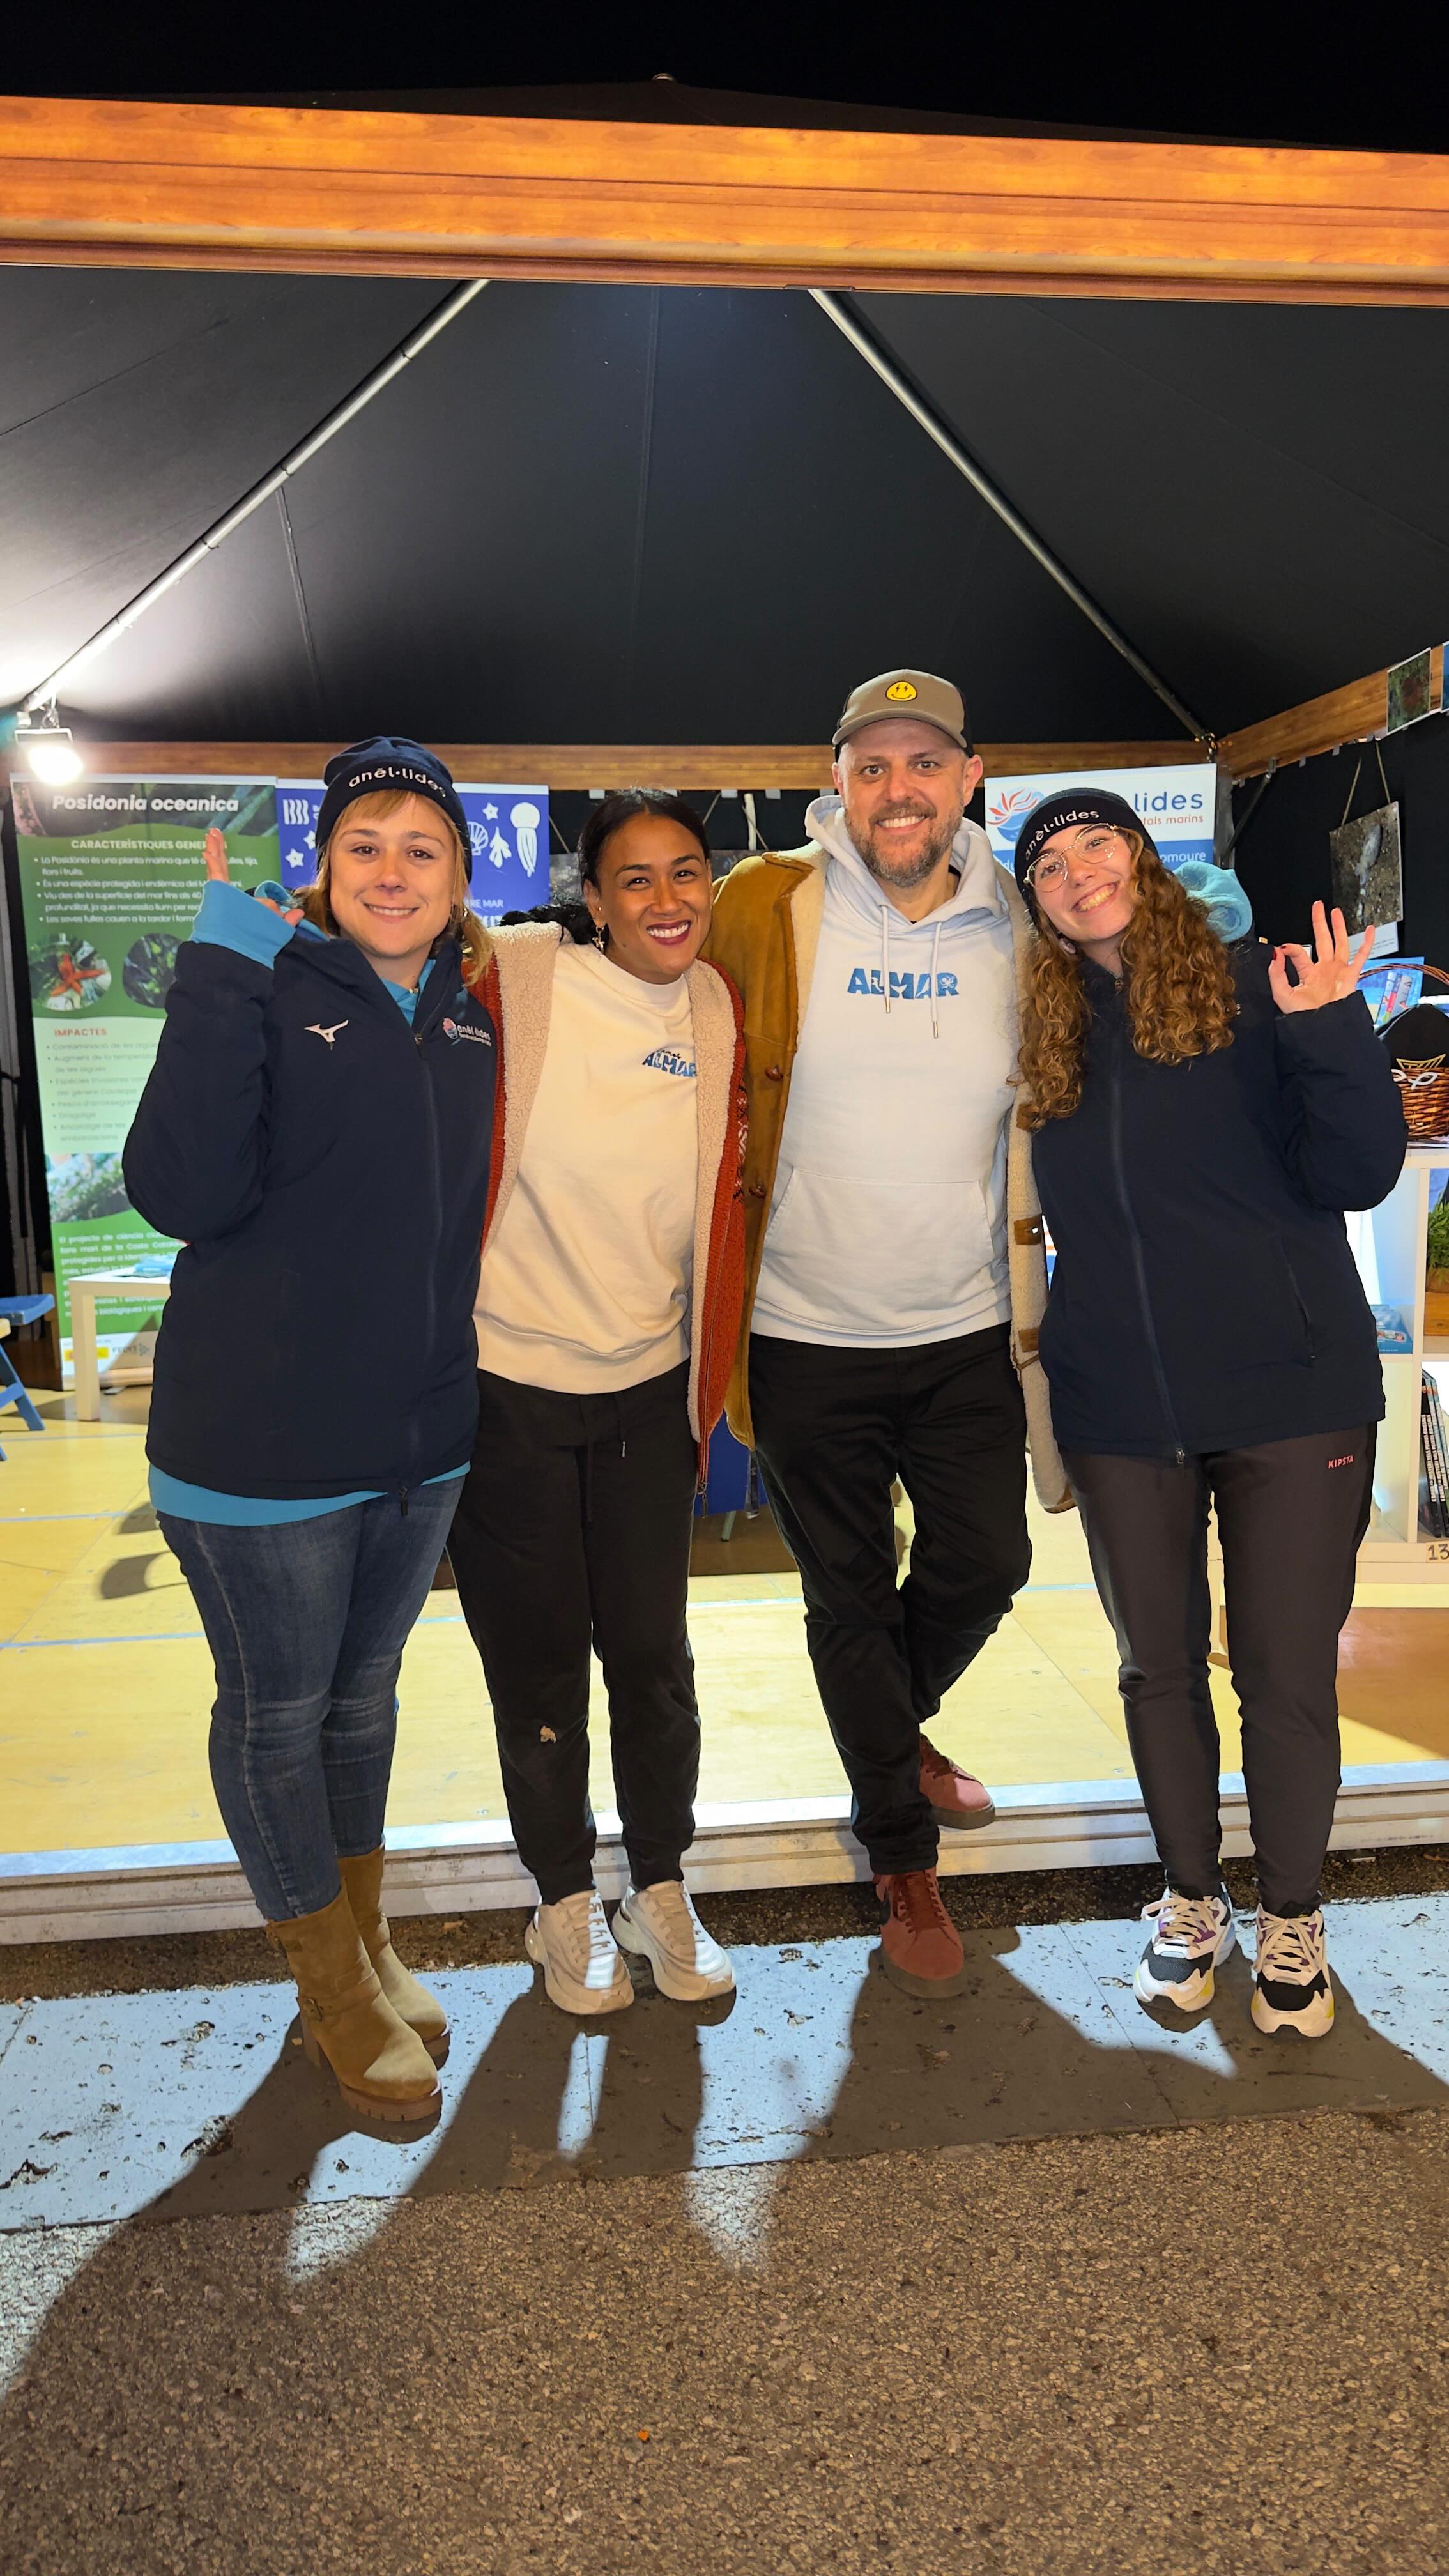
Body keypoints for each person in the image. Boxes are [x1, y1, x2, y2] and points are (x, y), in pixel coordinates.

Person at [125, 739, 497, 2122]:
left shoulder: (471, 1009)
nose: (393, 874)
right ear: (324, 868)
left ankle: (370, 1940)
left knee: (362, 1703)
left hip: (419, 1439)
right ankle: (332, 1988)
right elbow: (178, 1192)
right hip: (261, 1449)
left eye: (422, 849)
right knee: (277, 1718)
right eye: (365, 847)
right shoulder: (266, 984)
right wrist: (221, 960)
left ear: (460, 875)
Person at [1013, 787, 1405, 2037]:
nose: (1078, 873)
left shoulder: (1260, 986)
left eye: (1098, 844)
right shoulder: (1048, 1034)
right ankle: (1192, 1900)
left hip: (1293, 1393)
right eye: (1048, 866)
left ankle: (1293, 1917)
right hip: (1123, 1403)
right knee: (1157, 1669)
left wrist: (1333, 1024)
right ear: (1037, 907)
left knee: (1286, 1674)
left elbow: (1360, 1172)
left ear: (1143, 858)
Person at [706, 671, 1066, 2002]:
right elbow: (653, 995)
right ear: (837, 780)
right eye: (872, 767)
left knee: (987, 1562)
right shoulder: (766, 902)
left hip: (967, 1328)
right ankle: (901, 1851)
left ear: (969, 778)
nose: (897, 790)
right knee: (847, 1598)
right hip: (801, 1331)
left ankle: (887, 1727)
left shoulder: (1023, 920)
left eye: (923, 764)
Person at [447, 790, 747, 2017]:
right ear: (593, 898)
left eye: (687, 873)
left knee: (653, 1662)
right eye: (636, 879)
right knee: (537, 1671)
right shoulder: (522, 977)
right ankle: (562, 1898)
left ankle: (658, 1884)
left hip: (647, 1395)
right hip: (507, 1391)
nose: (667, 900)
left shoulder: (717, 1007)